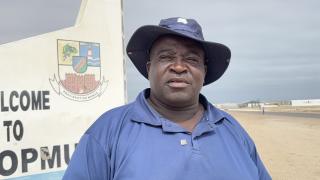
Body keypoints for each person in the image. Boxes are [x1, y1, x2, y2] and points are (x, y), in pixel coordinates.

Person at [63, 17, 271, 180]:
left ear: (204, 71)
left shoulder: (232, 129)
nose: (179, 67)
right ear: (149, 68)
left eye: (191, 59)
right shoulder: (107, 132)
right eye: (166, 57)